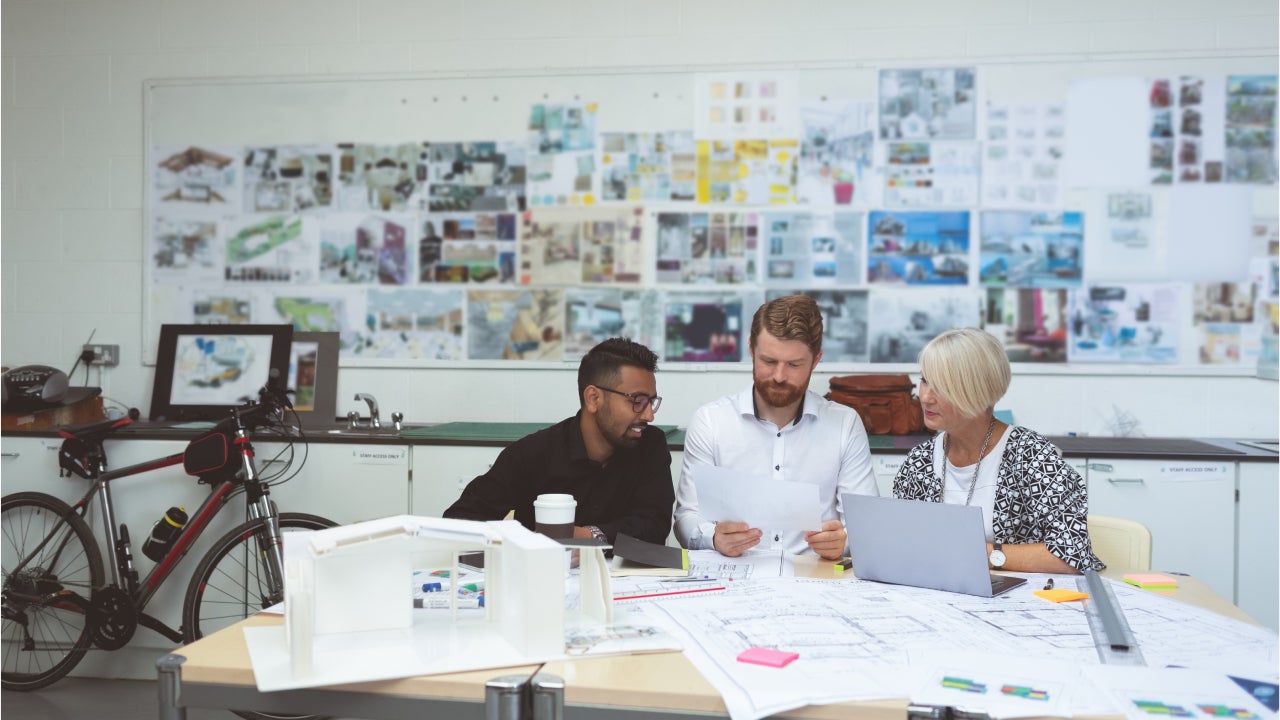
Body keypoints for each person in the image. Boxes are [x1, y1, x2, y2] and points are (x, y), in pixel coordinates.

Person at [674, 295, 879, 560]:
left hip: (816, 582)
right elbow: (685, 519)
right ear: (751, 350)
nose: (780, 376)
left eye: (794, 365)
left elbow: (865, 528)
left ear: (816, 360)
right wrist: (713, 538)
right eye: (769, 361)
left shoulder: (844, 424)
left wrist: (844, 541)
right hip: (736, 580)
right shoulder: (712, 421)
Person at [893, 327, 1103, 573]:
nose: (925, 397)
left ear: (978, 391)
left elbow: (1073, 555)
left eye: (941, 386)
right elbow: (903, 545)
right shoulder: (919, 463)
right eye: (925, 380)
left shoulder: (1031, 456)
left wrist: (980, 554)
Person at [443, 337, 673, 545]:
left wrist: (588, 536)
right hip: (542, 581)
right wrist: (520, 540)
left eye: (651, 402)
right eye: (638, 401)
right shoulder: (532, 454)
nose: (649, 415)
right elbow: (460, 521)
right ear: (593, 398)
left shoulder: (650, 445)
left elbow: (654, 526)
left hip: (627, 585)